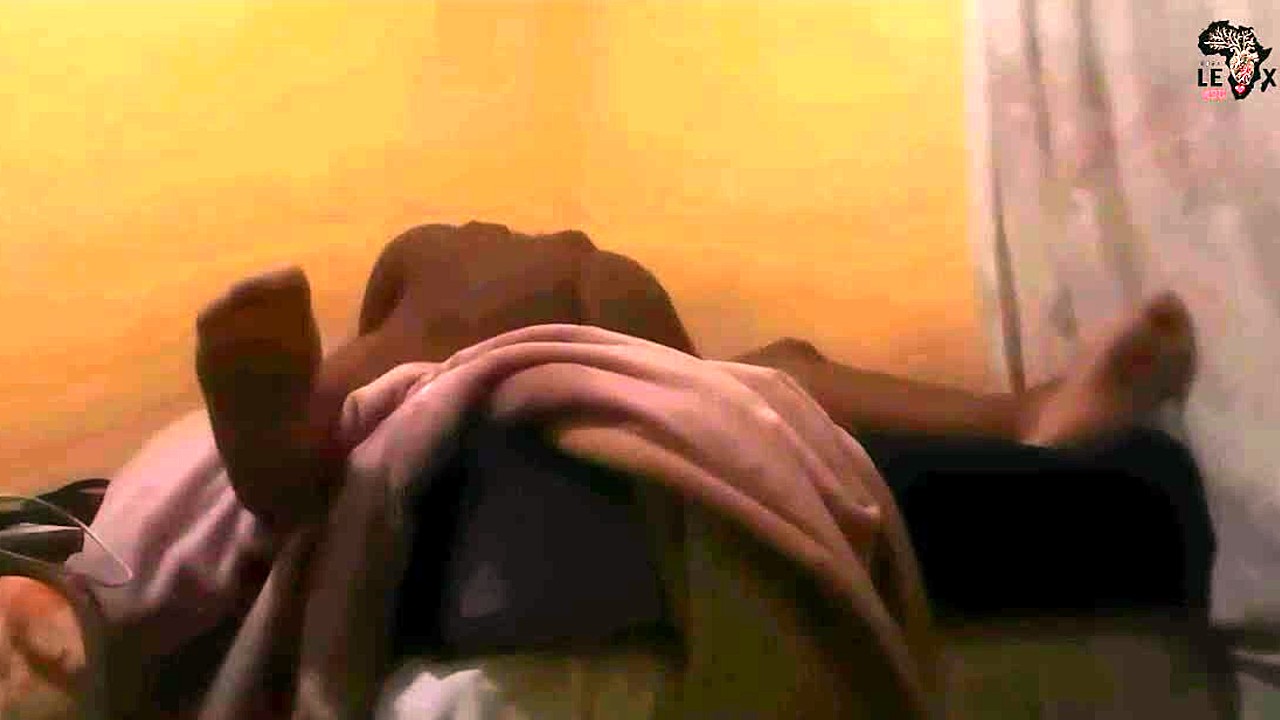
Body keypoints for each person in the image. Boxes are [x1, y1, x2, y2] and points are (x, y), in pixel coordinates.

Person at [196, 221, 1211, 616]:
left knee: (781, 373)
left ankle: (1023, 418)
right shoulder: (441, 273)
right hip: (482, 362)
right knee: (426, 322)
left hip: (651, 365)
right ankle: (297, 451)